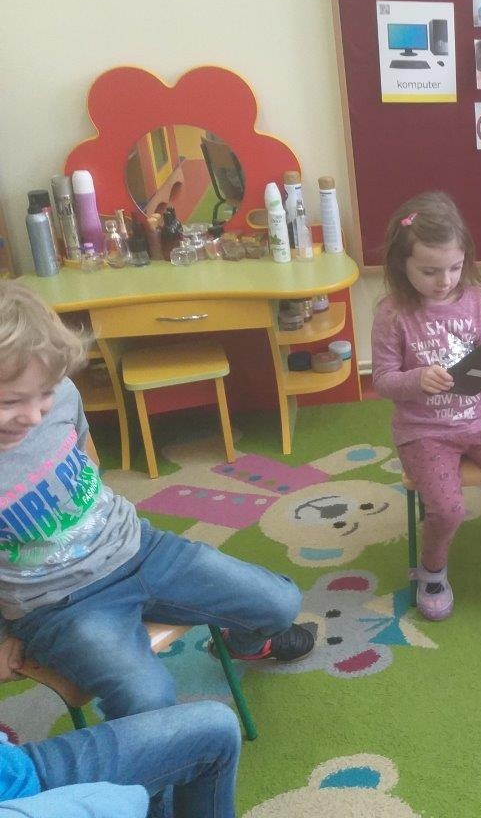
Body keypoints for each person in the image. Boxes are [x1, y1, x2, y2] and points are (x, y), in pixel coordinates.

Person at [0, 282, 314, 722]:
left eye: (45, 394)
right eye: (12, 402)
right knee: (146, 699)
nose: (35, 415)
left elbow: (86, 459)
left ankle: (244, 646)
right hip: (59, 605)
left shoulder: (62, 394)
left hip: (140, 550)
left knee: (280, 602)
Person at [370, 192, 481, 622]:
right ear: (402, 264)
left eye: (454, 267)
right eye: (429, 271)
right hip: (424, 431)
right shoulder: (392, 312)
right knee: (448, 509)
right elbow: (382, 380)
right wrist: (417, 379)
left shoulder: (475, 298)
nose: (444, 280)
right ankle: (432, 571)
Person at [1, 701, 240, 817]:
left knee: (216, 728)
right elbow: (119, 803)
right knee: (145, 695)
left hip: (16, 763)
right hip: (26, 799)